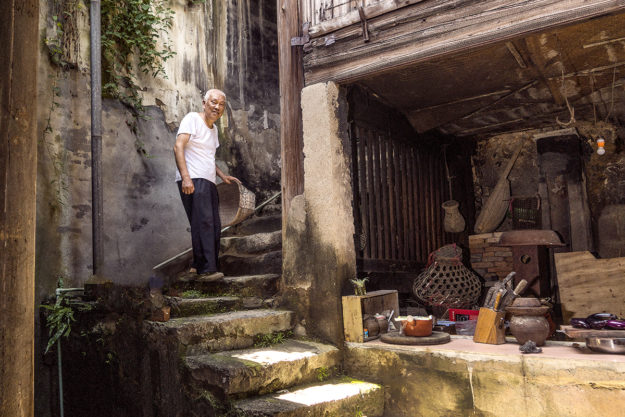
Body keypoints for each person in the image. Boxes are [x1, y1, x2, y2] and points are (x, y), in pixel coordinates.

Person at [173, 89, 239, 280]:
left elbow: (208, 158)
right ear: (204, 103)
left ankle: (198, 265)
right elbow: (178, 146)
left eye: (221, 105)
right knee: (204, 223)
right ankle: (207, 269)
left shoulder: (214, 130)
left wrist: (222, 175)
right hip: (192, 179)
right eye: (213, 102)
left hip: (208, 180)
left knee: (213, 224)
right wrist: (185, 177)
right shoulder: (192, 118)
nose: (217, 107)